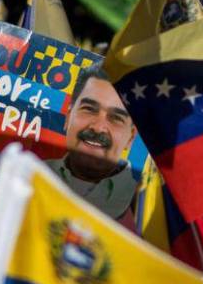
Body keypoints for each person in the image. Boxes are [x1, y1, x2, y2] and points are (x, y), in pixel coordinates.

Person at [46, 68, 137, 226]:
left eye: (115, 118)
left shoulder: (144, 208)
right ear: (68, 117)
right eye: (89, 109)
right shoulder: (27, 177)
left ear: (130, 137)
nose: (98, 127)